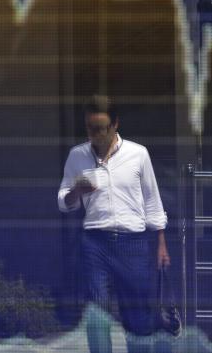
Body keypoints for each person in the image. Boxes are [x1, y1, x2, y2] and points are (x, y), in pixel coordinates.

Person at [58, 94, 170, 353]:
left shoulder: (138, 154)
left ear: (115, 125)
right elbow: (63, 201)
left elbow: (152, 200)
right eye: (89, 128)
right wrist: (76, 191)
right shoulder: (77, 156)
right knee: (97, 312)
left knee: (137, 314)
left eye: (100, 129)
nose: (94, 134)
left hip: (133, 242)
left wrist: (161, 244)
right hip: (95, 243)